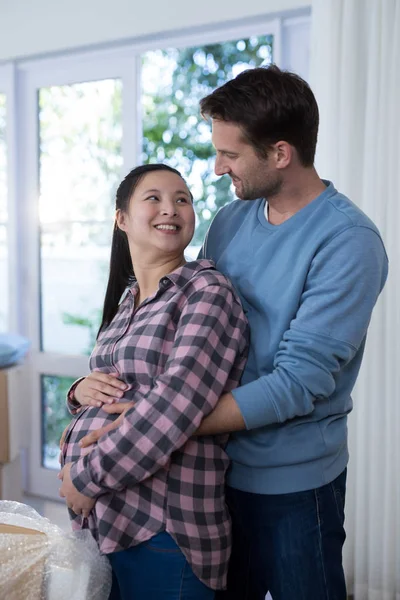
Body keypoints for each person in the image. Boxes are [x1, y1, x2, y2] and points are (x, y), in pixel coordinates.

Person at [70, 66, 388, 600]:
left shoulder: (347, 241)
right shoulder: (232, 220)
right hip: (215, 476)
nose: (217, 169)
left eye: (230, 155)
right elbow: (172, 328)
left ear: (280, 153)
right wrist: (90, 391)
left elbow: (297, 383)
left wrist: (163, 419)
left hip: (293, 482)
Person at [58, 163, 249, 600]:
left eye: (183, 199)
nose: (172, 208)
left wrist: (84, 478)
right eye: (155, 198)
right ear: (121, 218)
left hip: (164, 527)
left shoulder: (206, 291)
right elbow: (117, 385)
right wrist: (78, 390)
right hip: (109, 523)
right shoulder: (129, 300)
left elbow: (173, 407)